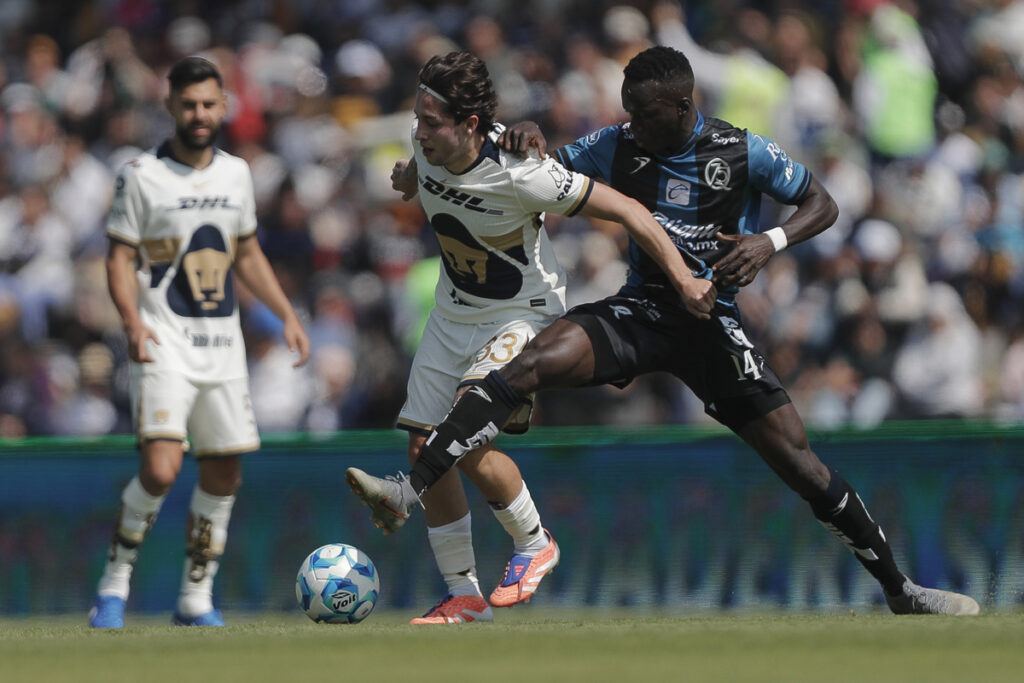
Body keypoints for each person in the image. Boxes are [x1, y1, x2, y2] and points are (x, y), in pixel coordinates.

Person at [347, 46, 980, 616]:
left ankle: (901, 590)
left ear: (681, 106)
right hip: (643, 308)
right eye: (627, 111)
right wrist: (526, 135)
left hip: (711, 323)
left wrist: (769, 239)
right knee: (529, 363)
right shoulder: (620, 142)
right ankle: (423, 499)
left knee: (801, 465)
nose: (632, 125)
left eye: (644, 114)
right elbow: (541, 173)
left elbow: (824, 204)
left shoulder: (741, 150)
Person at [347, 50, 714, 625]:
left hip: (521, 314)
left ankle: (536, 543)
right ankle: (464, 596)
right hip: (452, 312)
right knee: (424, 447)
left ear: (470, 125)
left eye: (431, 122)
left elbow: (633, 213)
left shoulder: (523, 171)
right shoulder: (426, 141)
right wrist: (408, 176)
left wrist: (686, 277)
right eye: (417, 119)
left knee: (463, 435)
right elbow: (422, 170)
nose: (419, 130)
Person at [88, 56, 310, 628]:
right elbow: (118, 259)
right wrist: (133, 324)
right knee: (161, 468)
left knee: (223, 473)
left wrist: (284, 313)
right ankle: (113, 585)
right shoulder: (139, 175)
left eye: (210, 103)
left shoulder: (236, 174)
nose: (200, 113)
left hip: (223, 346)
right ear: (170, 106)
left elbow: (248, 252)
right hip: (163, 341)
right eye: (189, 104)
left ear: (224, 106)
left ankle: (196, 596)